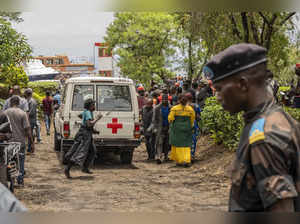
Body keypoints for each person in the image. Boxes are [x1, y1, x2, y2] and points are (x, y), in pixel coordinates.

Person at [203, 43, 300, 212]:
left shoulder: (264, 137)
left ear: (242, 84)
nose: (217, 97)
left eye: (219, 89)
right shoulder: (278, 119)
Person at [64, 99, 103, 179]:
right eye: (93, 105)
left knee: (92, 151)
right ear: (89, 106)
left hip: (86, 133)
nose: (94, 106)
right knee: (80, 153)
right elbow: (89, 124)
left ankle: (85, 168)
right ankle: (67, 169)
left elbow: (80, 116)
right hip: (85, 135)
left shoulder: (86, 111)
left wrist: (92, 129)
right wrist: (97, 118)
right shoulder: (88, 112)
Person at [4, 96, 34, 186]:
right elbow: (27, 129)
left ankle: (9, 180)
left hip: (8, 142)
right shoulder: (22, 113)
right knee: (21, 161)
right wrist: (31, 142)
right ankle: (20, 180)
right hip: (20, 142)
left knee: (8, 161)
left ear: (10, 103)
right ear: (19, 104)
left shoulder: (4, 113)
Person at [169, 94, 195, 167]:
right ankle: (186, 160)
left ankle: (179, 160)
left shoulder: (174, 108)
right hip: (187, 128)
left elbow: (170, 118)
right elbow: (192, 119)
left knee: (177, 144)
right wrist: (190, 126)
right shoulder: (190, 109)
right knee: (186, 144)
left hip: (177, 129)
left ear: (179, 100)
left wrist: (172, 125)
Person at [153, 94, 171, 164]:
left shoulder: (171, 108)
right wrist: (155, 128)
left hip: (168, 127)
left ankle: (166, 156)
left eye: (166, 99)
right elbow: (154, 119)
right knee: (159, 142)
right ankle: (159, 156)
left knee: (167, 143)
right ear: (161, 100)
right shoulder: (157, 108)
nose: (164, 101)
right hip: (160, 127)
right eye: (163, 99)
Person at [185, 93, 201, 159]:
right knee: (193, 140)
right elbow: (199, 116)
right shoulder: (196, 106)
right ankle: (191, 155)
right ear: (192, 98)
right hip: (193, 124)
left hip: (184, 125)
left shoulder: (182, 106)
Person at [24, 88, 37, 153]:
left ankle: (30, 148)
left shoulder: (31, 101)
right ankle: (30, 148)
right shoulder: (29, 101)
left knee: (30, 134)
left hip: (30, 120)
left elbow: (30, 112)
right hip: (30, 120)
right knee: (30, 134)